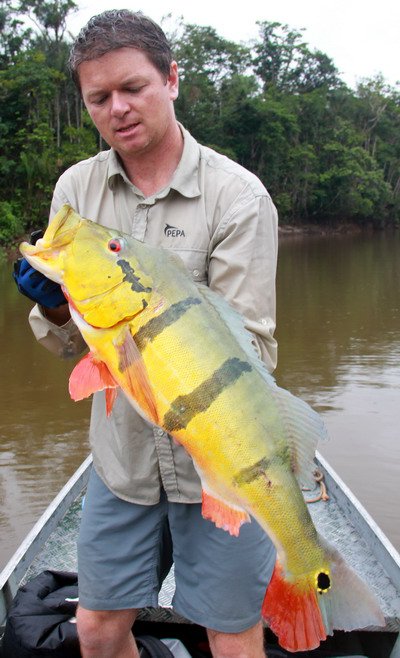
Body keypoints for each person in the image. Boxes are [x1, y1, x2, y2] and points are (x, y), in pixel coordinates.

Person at [14, 10, 279, 658]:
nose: (118, 108)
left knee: (233, 636)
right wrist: (54, 311)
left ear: (172, 79)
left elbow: (256, 351)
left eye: (133, 87)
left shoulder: (237, 199)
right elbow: (80, 348)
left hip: (219, 461)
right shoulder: (75, 191)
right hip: (122, 460)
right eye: (99, 97)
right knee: (99, 633)